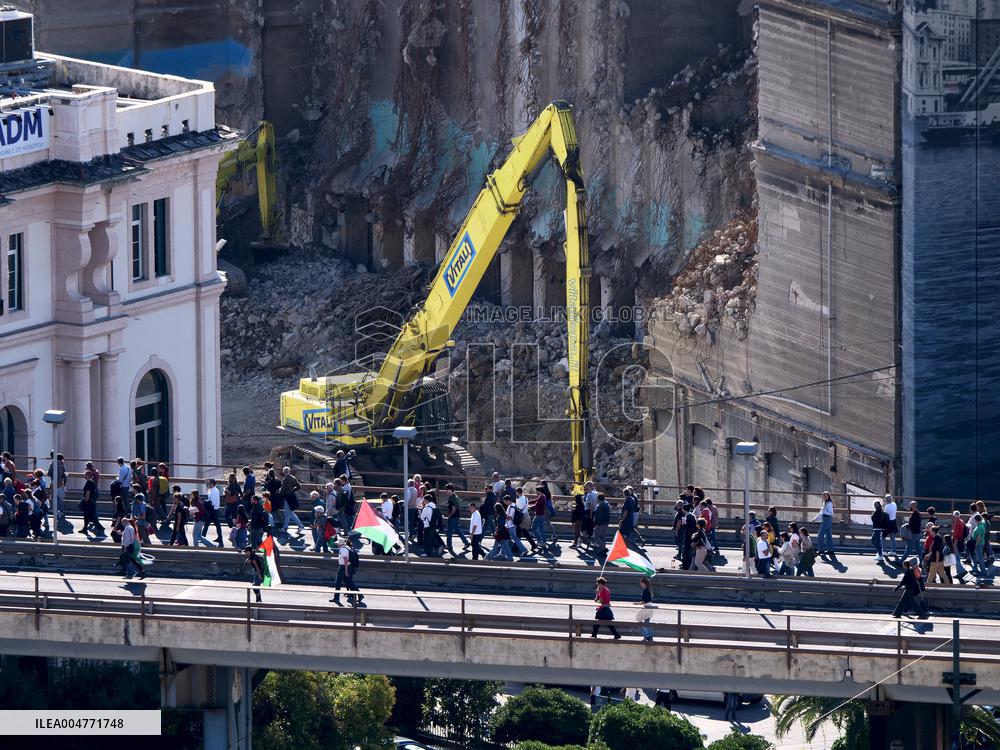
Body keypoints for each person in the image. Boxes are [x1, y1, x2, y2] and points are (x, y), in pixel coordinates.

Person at [331, 540, 363, 605]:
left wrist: (346, 571)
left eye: (338, 544)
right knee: (349, 582)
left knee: (338, 582)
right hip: (346, 567)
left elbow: (346, 560)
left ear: (340, 544)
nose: (337, 545)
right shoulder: (347, 547)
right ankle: (360, 595)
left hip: (344, 567)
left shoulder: (343, 550)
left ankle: (336, 598)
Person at [278, 467, 305, 535]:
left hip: (287, 497)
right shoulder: (293, 478)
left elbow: (283, 490)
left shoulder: (285, 479)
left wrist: (279, 495)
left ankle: (300, 526)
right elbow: (299, 486)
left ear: (284, 472)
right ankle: (285, 527)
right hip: (292, 496)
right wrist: (292, 490)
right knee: (288, 513)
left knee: (289, 513)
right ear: (289, 471)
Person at [444, 484, 469, 555]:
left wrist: (449, 516)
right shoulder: (454, 496)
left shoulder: (452, 498)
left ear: (450, 490)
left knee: (449, 532)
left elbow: (453, 509)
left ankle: (449, 546)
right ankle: (466, 542)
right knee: (457, 530)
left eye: (447, 489)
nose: (446, 491)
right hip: (457, 516)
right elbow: (453, 505)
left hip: (453, 517)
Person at [204, 478, 224, 546]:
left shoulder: (214, 491)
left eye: (209, 483)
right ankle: (220, 537)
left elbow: (213, 501)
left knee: (208, 523)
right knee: (216, 524)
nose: (208, 484)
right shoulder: (211, 490)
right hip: (213, 510)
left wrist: (208, 503)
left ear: (212, 484)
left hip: (213, 510)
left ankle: (203, 536)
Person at [636, 577, 655, 642]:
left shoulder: (645, 590)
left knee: (638, 619)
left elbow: (644, 601)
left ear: (644, 583)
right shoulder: (648, 590)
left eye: (641, 583)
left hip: (647, 607)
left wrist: (637, 603)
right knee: (647, 623)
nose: (640, 584)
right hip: (650, 607)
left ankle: (646, 636)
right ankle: (649, 638)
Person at [883, 494, 899, 560]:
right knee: (893, 537)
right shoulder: (894, 504)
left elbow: (885, 515)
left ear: (886, 500)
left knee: (883, 536)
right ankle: (894, 551)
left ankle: (884, 550)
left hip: (888, 522)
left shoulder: (886, 506)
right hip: (894, 522)